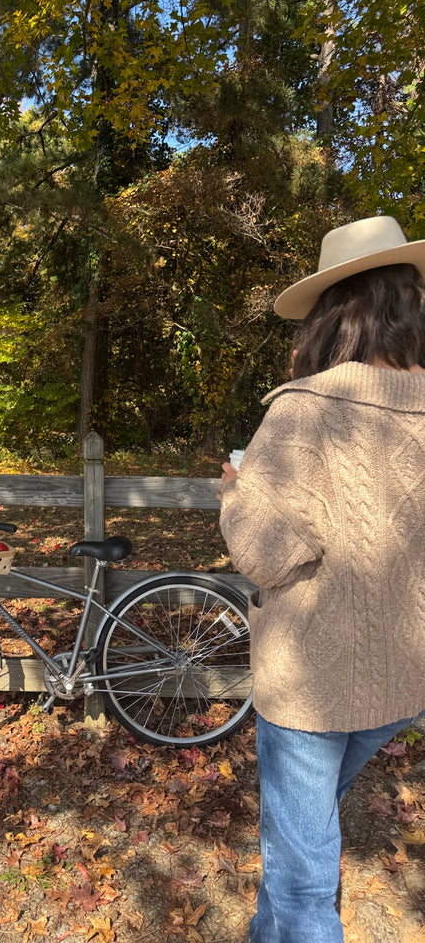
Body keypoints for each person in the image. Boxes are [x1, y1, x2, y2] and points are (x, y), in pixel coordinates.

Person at [218, 214, 425, 943]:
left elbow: (266, 554)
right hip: (405, 677)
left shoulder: (303, 411)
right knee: (298, 837)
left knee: (304, 880)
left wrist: (235, 494)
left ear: (333, 314)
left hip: (312, 683)